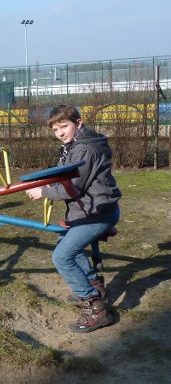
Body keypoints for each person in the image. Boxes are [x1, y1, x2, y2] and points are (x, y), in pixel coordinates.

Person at [26, 105, 121, 333]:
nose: (60, 133)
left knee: (62, 256)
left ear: (78, 123)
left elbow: (72, 189)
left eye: (64, 126)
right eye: (55, 129)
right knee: (65, 243)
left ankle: (95, 308)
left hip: (97, 213)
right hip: (88, 211)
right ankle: (92, 284)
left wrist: (44, 192)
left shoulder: (84, 150)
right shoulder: (73, 146)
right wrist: (43, 182)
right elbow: (63, 175)